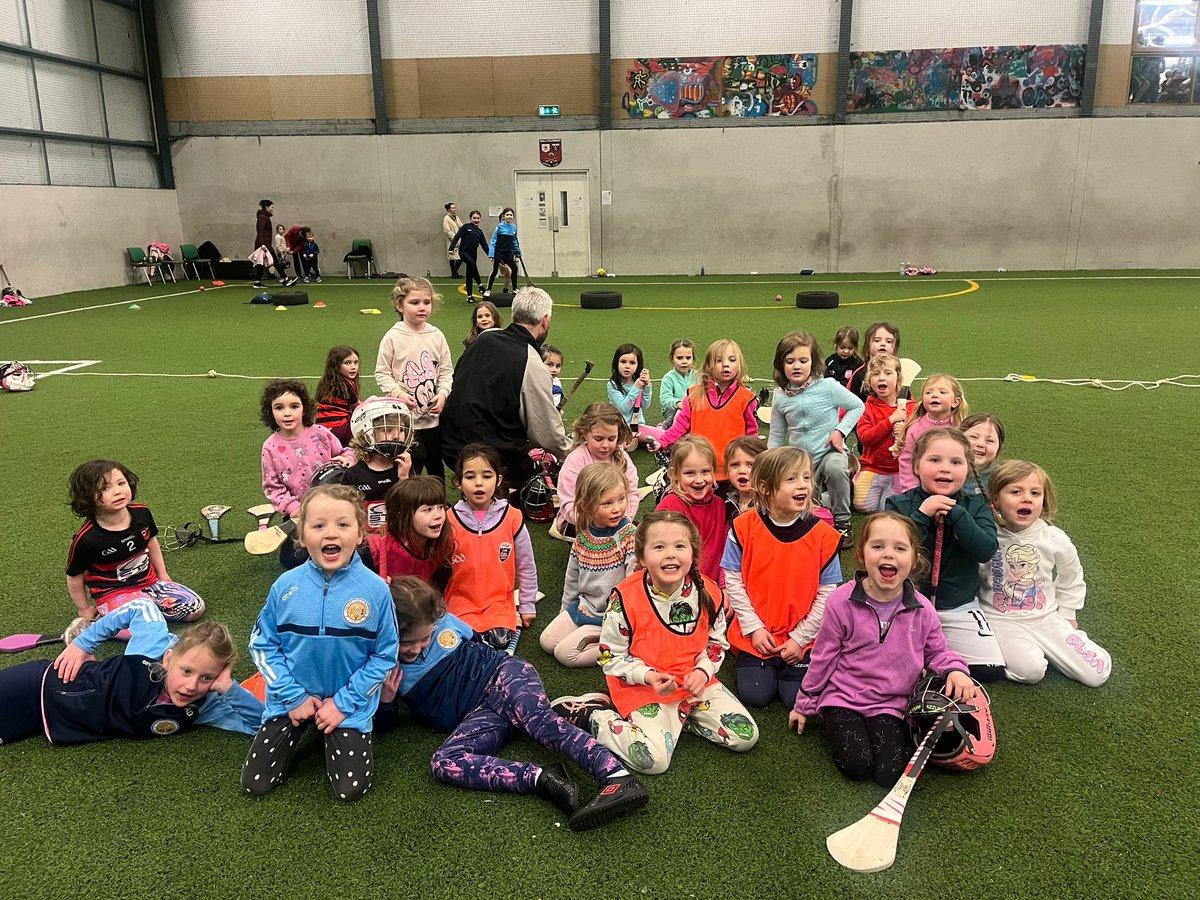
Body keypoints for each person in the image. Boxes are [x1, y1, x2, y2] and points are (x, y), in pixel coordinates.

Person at [377, 577, 649, 831]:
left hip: (504, 674)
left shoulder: (445, 622)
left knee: (540, 722)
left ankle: (616, 775)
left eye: (426, 638)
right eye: (409, 643)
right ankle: (544, 779)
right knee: (444, 762)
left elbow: (476, 641)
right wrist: (388, 701)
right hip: (481, 713)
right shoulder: (386, 666)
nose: (420, 648)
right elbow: (384, 725)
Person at [551, 511, 759, 775]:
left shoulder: (710, 593)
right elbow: (609, 656)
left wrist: (702, 671)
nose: (670, 554)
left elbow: (716, 645)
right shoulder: (626, 598)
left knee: (746, 736)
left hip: (695, 683)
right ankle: (594, 715)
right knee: (653, 762)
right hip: (644, 688)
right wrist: (648, 676)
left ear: (693, 554)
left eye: (679, 546)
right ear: (641, 557)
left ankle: (678, 718)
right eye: (659, 547)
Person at [790, 512, 975, 787]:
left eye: (900, 548)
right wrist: (804, 704)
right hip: (842, 697)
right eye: (878, 546)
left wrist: (956, 670)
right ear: (862, 556)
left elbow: (937, 652)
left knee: (889, 775)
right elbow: (823, 656)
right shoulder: (841, 602)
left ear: (913, 560)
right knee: (857, 766)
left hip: (892, 704)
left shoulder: (923, 609)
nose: (888, 554)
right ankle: (835, 721)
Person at [242, 484, 398, 802]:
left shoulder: (376, 591)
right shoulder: (285, 587)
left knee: (350, 790)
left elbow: (385, 655)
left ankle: (334, 728)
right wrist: (293, 696)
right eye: (318, 525)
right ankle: (304, 721)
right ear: (301, 536)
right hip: (292, 699)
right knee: (255, 783)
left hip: (347, 703)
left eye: (343, 524)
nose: (330, 534)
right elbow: (262, 644)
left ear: (359, 535)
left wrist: (342, 704)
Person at [0, 600, 262, 746]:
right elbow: (141, 606)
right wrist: (85, 643)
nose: (192, 685)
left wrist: (229, 688)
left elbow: (261, 725)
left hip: (54, 724)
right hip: (42, 683)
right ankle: (77, 634)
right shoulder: (154, 648)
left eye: (207, 678)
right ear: (170, 659)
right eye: (186, 671)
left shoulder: (208, 706)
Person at [721, 447, 843, 709]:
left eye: (806, 477)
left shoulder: (824, 536)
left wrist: (799, 639)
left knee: (793, 699)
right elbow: (734, 582)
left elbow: (828, 593)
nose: (802, 486)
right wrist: (754, 628)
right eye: (791, 479)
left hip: (803, 635)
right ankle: (758, 656)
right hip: (756, 632)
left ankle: (797, 657)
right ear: (764, 487)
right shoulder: (743, 527)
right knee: (756, 695)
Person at [886, 428, 1004, 682]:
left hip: (957, 605)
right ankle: (929, 658)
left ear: (968, 468)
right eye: (935, 460)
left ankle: (937, 662)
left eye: (956, 462)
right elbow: (892, 555)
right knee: (886, 663)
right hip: (905, 604)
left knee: (989, 669)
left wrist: (958, 514)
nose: (945, 469)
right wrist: (921, 515)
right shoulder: (898, 504)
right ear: (916, 465)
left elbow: (985, 550)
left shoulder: (975, 504)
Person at [980, 461, 1111, 686]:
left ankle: (1062, 644)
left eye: (1035, 493)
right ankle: (1028, 650)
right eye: (1016, 491)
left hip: (1045, 617)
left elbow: (1071, 576)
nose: (1027, 498)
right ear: (995, 500)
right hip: (1000, 619)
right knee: (1030, 672)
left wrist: (1068, 614)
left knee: (1096, 674)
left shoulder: (1053, 537)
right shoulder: (985, 535)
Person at [440, 287, 572, 488]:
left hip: (450, 447)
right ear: (545, 321)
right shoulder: (532, 363)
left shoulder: (483, 338)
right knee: (538, 476)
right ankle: (496, 487)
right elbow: (546, 435)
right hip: (490, 457)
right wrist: (575, 452)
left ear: (513, 315)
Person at [65, 459, 204, 633]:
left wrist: (162, 574)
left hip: (150, 585)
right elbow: (74, 576)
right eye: (104, 488)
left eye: (121, 483)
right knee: (140, 632)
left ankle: (143, 615)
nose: (117, 491)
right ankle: (97, 626)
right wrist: (84, 610)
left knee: (194, 608)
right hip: (114, 593)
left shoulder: (141, 513)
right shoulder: (87, 538)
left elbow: (151, 542)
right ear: (86, 497)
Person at [766, 332, 865, 545]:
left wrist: (839, 431)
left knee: (836, 468)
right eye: (790, 361)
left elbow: (857, 406)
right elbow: (776, 434)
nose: (797, 366)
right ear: (781, 364)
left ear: (813, 362)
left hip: (829, 453)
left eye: (803, 360)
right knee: (804, 500)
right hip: (802, 463)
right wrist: (769, 463)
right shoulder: (781, 396)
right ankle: (834, 496)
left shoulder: (827, 386)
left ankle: (843, 522)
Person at [539, 463, 637, 667]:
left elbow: (632, 583)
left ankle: (624, 647)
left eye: (621, 499)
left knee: (566, 655)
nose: (617, 508)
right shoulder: (582, 539)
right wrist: (565, 611)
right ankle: (597, 638)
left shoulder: (628, 535)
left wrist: (621, 623)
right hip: (585, 608)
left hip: (611, 617)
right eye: (607, 503)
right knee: (547, 642)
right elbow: (572, 580)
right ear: (586, 504)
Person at [444, 444, 538, 652]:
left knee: (499, 642)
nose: (479, 483)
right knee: (458, 645)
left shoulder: (512, 517)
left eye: (487, 476)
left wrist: (527, 604)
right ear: (458, 482)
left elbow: (526, 565)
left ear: (499, 480)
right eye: (470, 477)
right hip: (459, 605)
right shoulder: (448, 520)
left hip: (498, 606)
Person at [259, 379, 354, 569]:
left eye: (294, 406)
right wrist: (293, 506)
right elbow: (272, 487)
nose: (287, 413)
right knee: (292, 560)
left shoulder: (320, 433)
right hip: (299, 514)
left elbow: (344, 452)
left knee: (345, 552)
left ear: (304, 408)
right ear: (271, 412)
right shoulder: (270, 447)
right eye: (279, 407)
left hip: (332, 506)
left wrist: (348, 459)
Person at [374, 276, 454, 480]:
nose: (422, 308)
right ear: (399, 305)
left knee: (436, 466)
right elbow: (382, 373)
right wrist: (398, 393)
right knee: (410, 468)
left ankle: (438, 503)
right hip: (405, 422)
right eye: (415, 302)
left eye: (427, 302)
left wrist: (443, 394)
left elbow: (446, 372)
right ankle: (409, 506)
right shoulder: (393, 337)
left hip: (433, 421)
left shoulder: (436, 335)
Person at [650, 339, 758, 482]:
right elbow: (680, 425)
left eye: (732, 360)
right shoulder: (694, 395)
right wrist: (662, 442)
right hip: (701, 472)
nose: (725, 364)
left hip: (732, 473)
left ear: (739, 364)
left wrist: (753, 465)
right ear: (709, 365)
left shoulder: (746, 398)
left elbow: (751, 436)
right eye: (719, 360)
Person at [554, 402, 637, 539]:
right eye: (598, 439)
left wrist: (625, 519)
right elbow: (567, 502)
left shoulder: (622, 457)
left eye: (612, 439)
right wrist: (596, 523)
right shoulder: (576, 460)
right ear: (584, 433)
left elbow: (632, 493)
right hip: (580, 523)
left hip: (617, 520)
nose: (605, 445)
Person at [655, 436, 726, 584]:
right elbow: (660, 553)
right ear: (675, 474)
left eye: (705, 472)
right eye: (690, 473)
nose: (699, 480)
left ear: (714, 472)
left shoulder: (720, 505)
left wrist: (724, 585)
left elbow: (725, 551)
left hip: (714, 584)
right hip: (681, 585)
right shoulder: (670, 507)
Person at [339, 396, 414, 534]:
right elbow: (344, 514)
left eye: (401, 430)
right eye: (388, 430)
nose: (397, 436)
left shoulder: (404, 467)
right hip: (366, 540)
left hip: (399, 536)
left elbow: (412, 505)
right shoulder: (353, 475)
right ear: (367, 433)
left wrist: (404, 478)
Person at [853, 353, 915, 512]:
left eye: (888, 373)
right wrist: (890, 421)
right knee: (862, 506)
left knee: (888, 509)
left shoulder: (912, 408)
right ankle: (855, 477)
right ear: (869, 381)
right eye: (875, 374)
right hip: (873, 468)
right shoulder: (866, 408)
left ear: (899, 379)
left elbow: (921, 439)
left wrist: (905, 432)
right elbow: (865, 438)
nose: (881, 378)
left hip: (900, 471)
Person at [365, 476, 454, 587]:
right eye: (428, 509)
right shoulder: (372, 549)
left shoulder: (444, 546)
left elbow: (439, 590)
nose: (438, 515)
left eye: (441, 507)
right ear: (402, 514)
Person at [892, 374, 969, 494]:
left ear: (956, 402)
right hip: (923, 488)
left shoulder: (962, 427)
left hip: (955, 487)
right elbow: (907, 460)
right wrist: (910, 489)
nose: (934, 395)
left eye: (942, 392)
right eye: (928, 392)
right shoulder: (915, 428)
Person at [607, 343, 664, 448]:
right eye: (623, 362)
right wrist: (636, 388)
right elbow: (623, 408)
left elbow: (645, 405)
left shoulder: (637, 382)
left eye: (632, 363)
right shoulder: (612, 385)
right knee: (621, 445)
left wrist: (647, 386)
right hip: (620, 427)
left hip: (638, 427)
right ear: (616, 363)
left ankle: (660, 429)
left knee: (664, 437)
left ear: (638, 365)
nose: (627, 366)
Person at [314, 345, 361, 445]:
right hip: (339, 428)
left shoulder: (328, 382)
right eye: (347, 363)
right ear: (336, 365)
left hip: (322, 428)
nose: (353, 367)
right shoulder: (344, 385)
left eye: (356, 362)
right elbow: (357, 407)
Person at [846, 322, 901, 399]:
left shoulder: (899, 372)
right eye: (877, 340)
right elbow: (850, 404)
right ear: (868, 345)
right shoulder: (859, 375)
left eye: (889, 341)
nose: (883, 344)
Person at [251, 200, 297, 289]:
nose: (273, 209)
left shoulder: (264, 217)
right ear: (266, 207)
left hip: (264, 243)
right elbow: (260, 231)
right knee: (275, 261)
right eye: (271, 207)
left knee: (261, 263)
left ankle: (257, 282)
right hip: (264, 244)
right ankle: (285, 279)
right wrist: (262, 244)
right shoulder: (263, 217)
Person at [722, 435, 766, 520]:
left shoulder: (769, 505)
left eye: (751, 465)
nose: (742, 470)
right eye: (735, 465)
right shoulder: (726, 502)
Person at [449, 209, 490, 301]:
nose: (476, 220)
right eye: (474, 218)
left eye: (478, 218)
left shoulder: (479, 232)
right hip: (463, 253)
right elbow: (457, 236)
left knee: (470, 273)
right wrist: (451, 248)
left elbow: (484, 245)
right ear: (470, 218)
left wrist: (490, 255)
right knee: (472, 264)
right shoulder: (465, 227)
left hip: (473, 254)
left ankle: (469, 296)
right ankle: (480, 285)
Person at [962, 413, 1006, 496]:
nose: (980, 444)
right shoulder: (944, 469)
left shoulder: (1001, 477)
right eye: (973, 437)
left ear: (999, 448)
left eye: (990, 441)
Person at [484, 208, 521, 299]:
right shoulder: (499, 227)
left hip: (508, 254)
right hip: (499, 253)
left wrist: (518, 253)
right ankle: (488, 290)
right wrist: (491, 254)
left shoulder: (514, 227)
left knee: (514, 269)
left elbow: (515, 241)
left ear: (513, 216)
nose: (509, 216)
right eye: (507, 215)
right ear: (503, 216)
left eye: (511, 215)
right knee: (495, 271)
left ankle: (515, 288)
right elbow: (493, 241)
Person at [659, 339, 697, 427]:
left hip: (693, 411)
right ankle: (665, 427)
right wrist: (678, 403)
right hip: (675, 411)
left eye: (688, 358)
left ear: (693, 359)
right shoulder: (669, 378)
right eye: (679, 358)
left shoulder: (697, 376)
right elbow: (665, 399)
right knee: (677, 414)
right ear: (672, 359)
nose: (684, 361)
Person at [823, 326, 862, 391]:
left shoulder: (858, 364)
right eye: (842, 347)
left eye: (850, 348)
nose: (846, 351)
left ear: (855, 347)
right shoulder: (830, 361)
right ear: (835, 344)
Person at [442, 202, 463, 278]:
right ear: (448, 209)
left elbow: (461, 226)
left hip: (459, 239)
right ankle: (454, 273)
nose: (454, 209)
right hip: (452, 239)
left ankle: (455, 272)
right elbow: (446, 230)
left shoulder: (456, 217)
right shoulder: (446, 218)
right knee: (452, 257)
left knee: (460, 256)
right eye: (452, 208)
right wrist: (454, 238)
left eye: (455, 208)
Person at [541, 344, 565, 410]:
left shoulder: (556, 386)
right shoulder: (531, 378)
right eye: (550, 365)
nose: (554, 370)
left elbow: (552, 410)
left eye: (558, 366)